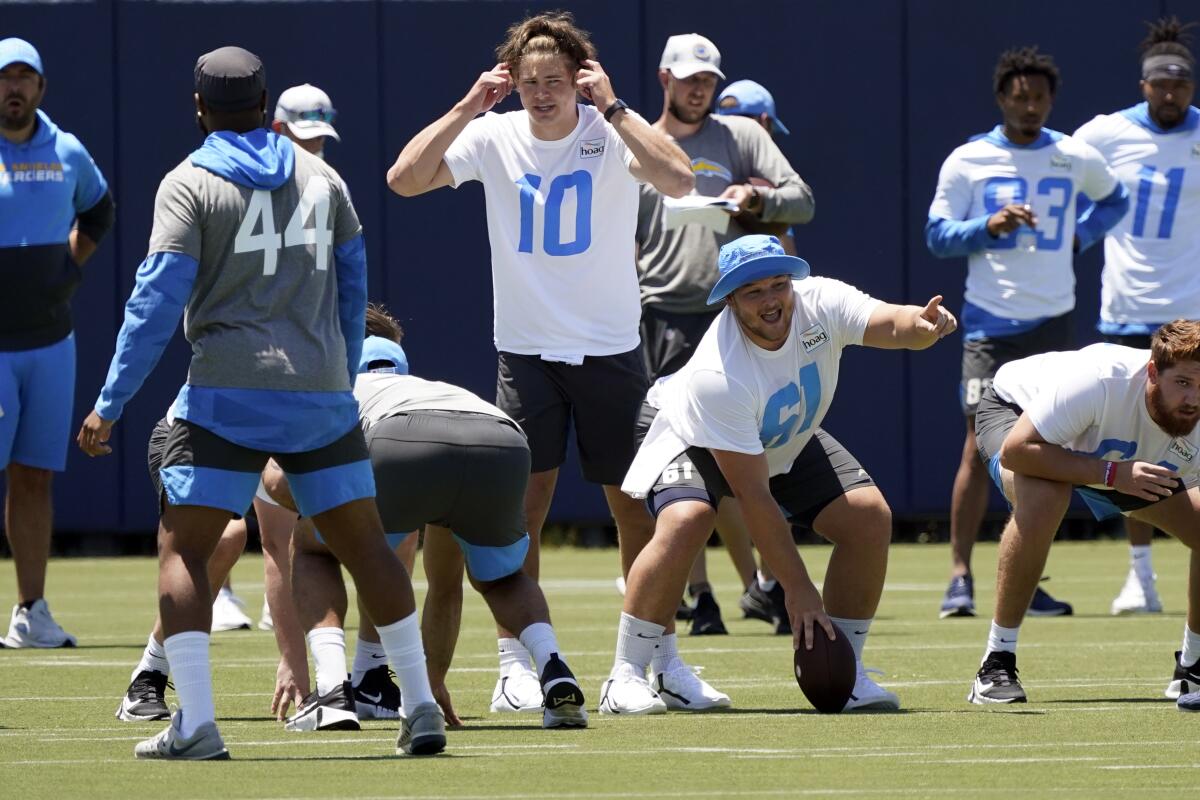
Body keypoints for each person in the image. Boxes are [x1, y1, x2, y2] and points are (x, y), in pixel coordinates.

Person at [77, 46, 444, 759]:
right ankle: (420, 705)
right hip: (318, 394)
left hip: (227, 394)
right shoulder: (323, 175)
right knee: (368, 547)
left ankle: (197, 725)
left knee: (185, 547)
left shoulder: (187, 183)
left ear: (198, 108)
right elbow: (351, 287)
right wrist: (337, 381)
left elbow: (154, 304)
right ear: (267, 106)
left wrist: (111, 401)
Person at [387, 11, 693, 712]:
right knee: (519, 516)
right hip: (526, 351)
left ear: (580, 78)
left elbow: (677, 180)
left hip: (611, 348)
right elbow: (404, 179)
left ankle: (648, 661)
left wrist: (613, 104)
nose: (541, 92)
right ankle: (516, 664)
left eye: (554, 79)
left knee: (635, 507)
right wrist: (470, 105)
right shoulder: (493, 134)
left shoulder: (610, 129)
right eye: (529, 81)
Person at [600, 234, 957, 715]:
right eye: (753, 292)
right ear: (730, 300)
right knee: (687, 519)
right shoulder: (719, 375)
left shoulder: (821, 302)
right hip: (688, 432)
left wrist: (923, 325)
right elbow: (753, 498)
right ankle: (626, 674)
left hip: (777, 435)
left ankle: (846, 669)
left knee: (868, 516)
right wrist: (799, 591)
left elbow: (891, 323)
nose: (771, 300)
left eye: (778, 284)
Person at [266, 312, 587, 731]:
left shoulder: (333, 384)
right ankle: (554, 667)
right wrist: (433, 680)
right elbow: (444, 586)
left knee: (311, 547)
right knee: (502, 579)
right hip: (500, 436)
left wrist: (331, 508)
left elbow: (276, 483)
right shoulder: (426, 386)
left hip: (400, 439)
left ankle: (331, 691)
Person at [926, 45, 1130, 619]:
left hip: (1054, 323)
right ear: (1001, 99)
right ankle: (960, 576)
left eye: (1040, 97)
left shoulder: (1072, 153)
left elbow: (1114, 200)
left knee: (1049, 451)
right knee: (976, 449)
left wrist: (1079, 237)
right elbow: (937, 236)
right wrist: (985, 227)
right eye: (1021, 97)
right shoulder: (968, 159)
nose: (1031, 107)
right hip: (990, 327)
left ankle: (1029, 575)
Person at [636, 39, 815, 638]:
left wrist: (756, 196)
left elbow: (802, 200)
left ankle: (756, 587)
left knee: (741, 461)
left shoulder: (741, 136)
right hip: (662, 315)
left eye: (708, 79)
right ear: (664, 78)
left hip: (737, 317)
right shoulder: (639, 141)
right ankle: (702, 595)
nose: (698, 89)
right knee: (678, 465)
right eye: (688, 79)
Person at [966, 324, 1200, 706]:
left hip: (1122, 465)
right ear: (1154, 373)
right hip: (1019, 419)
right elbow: (1017, 451)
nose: (1193, 399)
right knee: (1045, 495)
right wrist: (1112, 474)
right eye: (1184, 383)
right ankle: (996, 663)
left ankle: (1193, 670)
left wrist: (1116, 474)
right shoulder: (1100, 381)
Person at [1074, 17, 1200, 616]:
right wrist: (1070, 236)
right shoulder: (1104, 133)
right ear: (1145, 85)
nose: (1172, 93)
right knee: (1131, 450)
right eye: (1162, 84)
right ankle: (1140, 574)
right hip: (1127, 310)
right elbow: (1056, 168)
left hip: (1194, 314)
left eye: (1182, 83)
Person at [0, 37, 115, 648]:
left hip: (49, 342)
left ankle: (31, 611)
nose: (13, 88)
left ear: (41, 88)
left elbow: (98, 212)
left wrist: (69, 267)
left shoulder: (66, 149)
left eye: (25, 78)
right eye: (4, 78)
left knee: (35, 477)